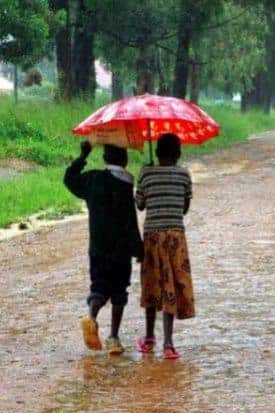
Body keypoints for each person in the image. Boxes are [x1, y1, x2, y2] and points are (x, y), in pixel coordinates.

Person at [64, 141, 143, 355]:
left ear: (105, 159)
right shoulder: (126, 184)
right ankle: (114, 337)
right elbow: (130, 221)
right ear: (125, 160)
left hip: (97, 247)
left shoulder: (92, 179)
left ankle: (91, 317)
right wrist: (138, 248)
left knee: (99, 286)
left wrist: (82, 156)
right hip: (121, 249)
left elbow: (69, 179)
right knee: (119, 291)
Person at [135, 133, 195, 359]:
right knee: (171, 287)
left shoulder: (147, 174)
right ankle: (169, 343)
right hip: (175, 238)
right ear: (178, 154)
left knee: (151, 285)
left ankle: (149, 337)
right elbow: (184, 208)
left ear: (157, 153)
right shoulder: (184, 174)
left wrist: (146, 174)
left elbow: (140, 204)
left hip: (152, 238)